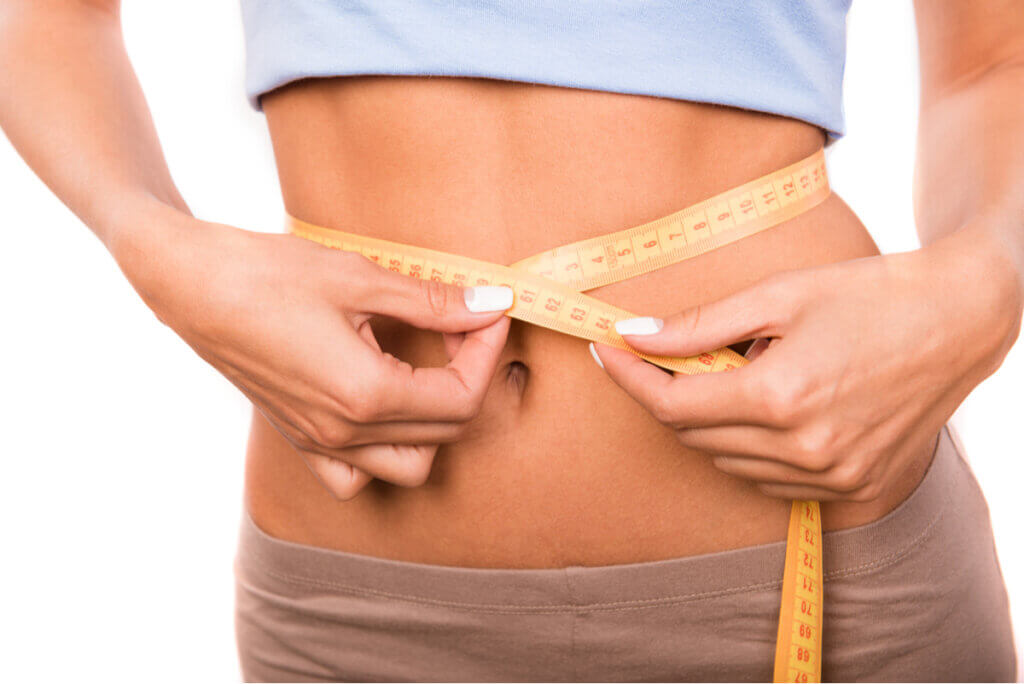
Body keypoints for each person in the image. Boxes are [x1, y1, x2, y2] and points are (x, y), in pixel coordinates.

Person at [1, 1, 1019, 680]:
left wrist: (990, 278)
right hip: (356, 608)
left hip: (822, 564)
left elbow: (992, 61)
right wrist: (150, 242)